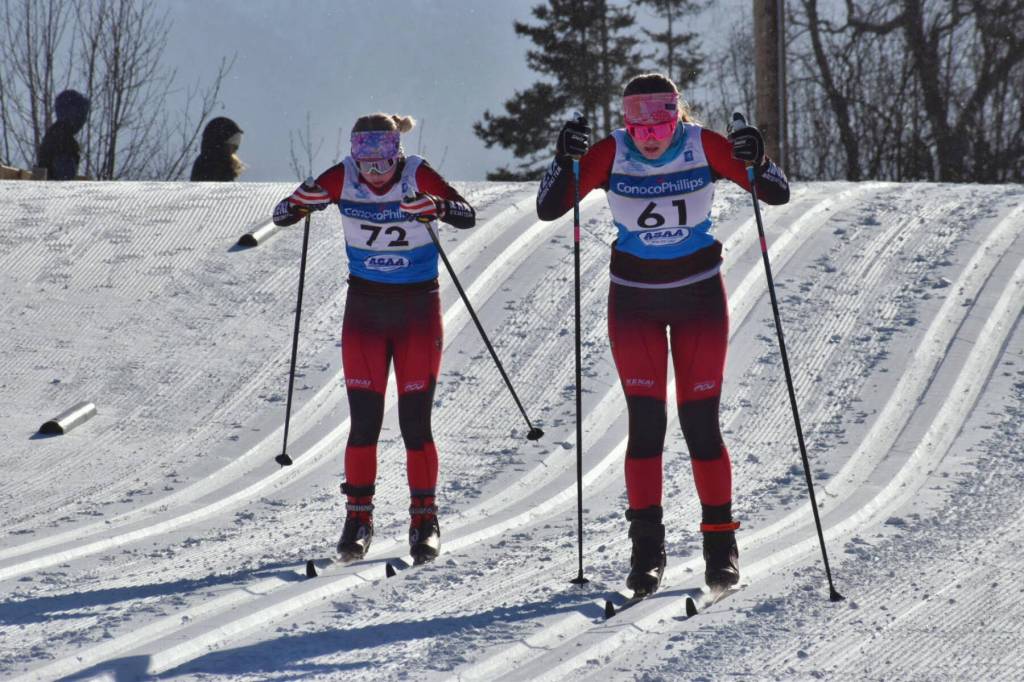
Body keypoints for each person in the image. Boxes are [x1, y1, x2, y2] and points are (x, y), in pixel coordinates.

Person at [535, 73, 791, 596]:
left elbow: (777, 193)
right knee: (646, 426)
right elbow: (550, 206)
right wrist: (564, 160)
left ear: (678, 114)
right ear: (624, 120)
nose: (649, 134)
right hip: (635, 302)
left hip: (697, 297)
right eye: (637, 122)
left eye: (661, 120)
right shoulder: (611, 153)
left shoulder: (702, 145)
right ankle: (646, 554)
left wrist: (756, 158)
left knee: (701, 425)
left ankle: (721, 549)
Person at [272, 113, 476, 564]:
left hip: (417, 310)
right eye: (367, 163)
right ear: (355, 154)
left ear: (396, 153)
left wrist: (436, 207)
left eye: (384, 163)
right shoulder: (342, 175)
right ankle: (358, 518)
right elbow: (282, 214)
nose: (376, 174)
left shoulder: (416, 170)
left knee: (414, 423)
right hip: (365, 311)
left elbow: (467, 214)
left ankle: (424, 520)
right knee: (363, 422)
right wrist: (300, 203)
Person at [37, 89, 90, 180]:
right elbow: (64, 178)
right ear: (72, 113)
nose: (83, 121)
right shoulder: (62, 140)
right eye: (81, 115)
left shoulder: (56, 134)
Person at [190, 117, 244, 181]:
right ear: (221, 144)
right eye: (232, 145)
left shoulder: (227, 165)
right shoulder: (209, 165)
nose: (235, 150)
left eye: (236, 146)